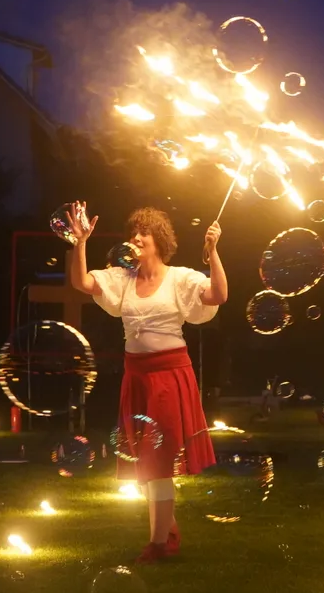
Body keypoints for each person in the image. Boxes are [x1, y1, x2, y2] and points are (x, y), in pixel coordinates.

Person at [68, 202, 227, 564]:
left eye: (144, 233)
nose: (136, 238)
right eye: (133, 233)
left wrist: (214, 252)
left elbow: (218, 295)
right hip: (136, 377)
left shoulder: (180, 278)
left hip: (170, 376)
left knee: (159, 462)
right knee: (144, 465)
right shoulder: (122, 278)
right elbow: (82, 282)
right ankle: (167, 532)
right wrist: (80, 243)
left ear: (160, 241)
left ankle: (157, 545)